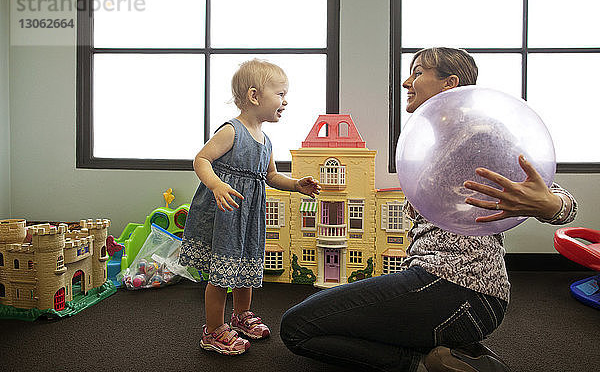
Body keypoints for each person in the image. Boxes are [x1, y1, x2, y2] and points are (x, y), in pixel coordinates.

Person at [279, 47, 578, 372]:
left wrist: (550, 204)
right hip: (436, 281)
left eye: (419, 72)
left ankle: (424, 364)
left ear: (450, 83)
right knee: (314, 312)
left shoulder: (479, 133)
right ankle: (462, 353)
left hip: (462, 290)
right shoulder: (436, 141)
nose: (407, 81)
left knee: (297, 327)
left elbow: (556, 196)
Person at [179, 59, 321, 355]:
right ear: (255, 96)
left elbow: (269, 176)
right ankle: (213, 329)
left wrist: (295, 184)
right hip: (227, 212)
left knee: (245, 267)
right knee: (221, 275)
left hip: (249, 217)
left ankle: (240, 316)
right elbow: (201, 160)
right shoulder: (232, 131)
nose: (285, 100)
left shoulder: (266, 140)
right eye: (280, 94)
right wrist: (217, 185)